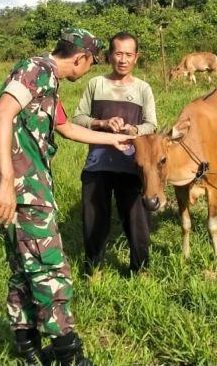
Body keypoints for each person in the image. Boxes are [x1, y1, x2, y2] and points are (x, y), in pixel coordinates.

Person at [0, 28, 130, 366]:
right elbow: (0, 116)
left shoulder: (48, 82)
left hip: (30, 186)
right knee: (50, 268)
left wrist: (112, 140)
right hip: (23, 189)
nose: (87, 72)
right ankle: (69, 355)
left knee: (24, 268)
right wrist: (7, 181)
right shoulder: (34, 70)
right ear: (80, 58)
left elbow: (65, 128)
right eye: (89, 64)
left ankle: (28, 348)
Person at [71, 32, 157, 275]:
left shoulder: (143, 89)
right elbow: (78, 118)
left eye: (129, 55)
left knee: (136, 222)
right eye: (118, 53)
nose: (123, 59)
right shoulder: (96, 84)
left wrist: (133, 129)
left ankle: (140, 271)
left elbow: (151, 125)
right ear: (109, 56)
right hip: (97, 164)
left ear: (136, 58)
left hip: (132, 165)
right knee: (94, 221)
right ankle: (93, 270)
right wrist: (102, 123)